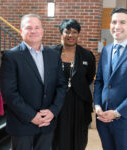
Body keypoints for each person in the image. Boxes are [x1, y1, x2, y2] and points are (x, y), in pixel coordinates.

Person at [0, 14, 66, 150]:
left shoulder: (53, 55)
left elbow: (61, 86)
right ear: (21, 31)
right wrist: (32, 116)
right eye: (28, 28)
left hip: (47, 123)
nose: (33, 31)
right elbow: (9, 92)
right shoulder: (10, 56)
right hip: (22, 124)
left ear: (42, 31)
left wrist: (53, 111)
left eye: (37, 27)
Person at [51, 19, 96, 150]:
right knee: (57, 136)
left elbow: (88, 78)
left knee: (78, 137)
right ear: (61, 33)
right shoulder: (51, 53)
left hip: (79, 103)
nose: (71, 35)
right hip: (56, 103)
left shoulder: (87, 55)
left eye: (74, 32)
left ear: (78, 34)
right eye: (67, 32)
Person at [94, 8, 127, 150]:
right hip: (103, 120)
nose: (117, 26)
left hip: (124, 120)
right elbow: (100, 81)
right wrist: (97, 106)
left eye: (123, 22)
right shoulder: (106, 50)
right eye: (114, 22)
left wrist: (116, 112)